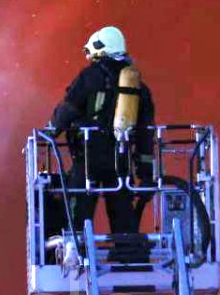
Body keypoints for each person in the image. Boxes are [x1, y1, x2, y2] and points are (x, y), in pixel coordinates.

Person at [45, 25, 156, 272]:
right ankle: (130, 260)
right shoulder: (138, 88)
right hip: (122, 160)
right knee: (122, 210)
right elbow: (146, 134)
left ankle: (75, 254)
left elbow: (69, 109)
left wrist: (50, 131)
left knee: (79, 204)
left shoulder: (90, 77)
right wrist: (146, 172)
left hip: (89, 157)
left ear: (100, 49)